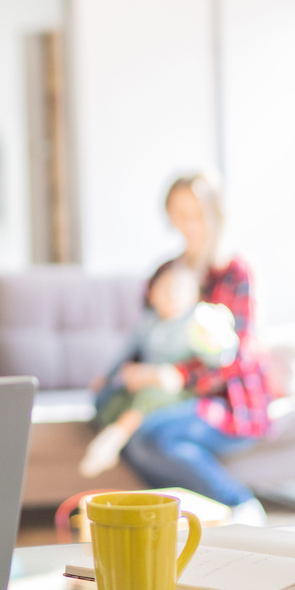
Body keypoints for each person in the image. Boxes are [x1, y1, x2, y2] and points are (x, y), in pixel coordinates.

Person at [102, 173, 271, 523]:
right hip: (167, 399)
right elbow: (147, 337)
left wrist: (172, 375)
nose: (188, 222)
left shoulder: (235, 273)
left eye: (196, 212)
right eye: (179, 213)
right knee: (118, 421)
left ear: (215, 213)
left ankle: (239, 503)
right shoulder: (164, 273)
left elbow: (237, 355)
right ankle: (185, 516)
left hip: (227, 401)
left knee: (149, 436)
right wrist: (125, 373)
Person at [78, 260, 239, 478]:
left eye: (181, 289)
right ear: (151, 293)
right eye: (165, 289)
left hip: (177, 390)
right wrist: (107, 376)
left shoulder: (195, 324)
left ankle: (114, 438)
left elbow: (216, 357)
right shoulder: (148, 323)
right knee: (108, 399)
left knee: (149, 395)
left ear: (195, 296)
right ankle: (113, 430)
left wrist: (216, 338)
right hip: (145, 382)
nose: (172, 295)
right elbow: (126, 351)